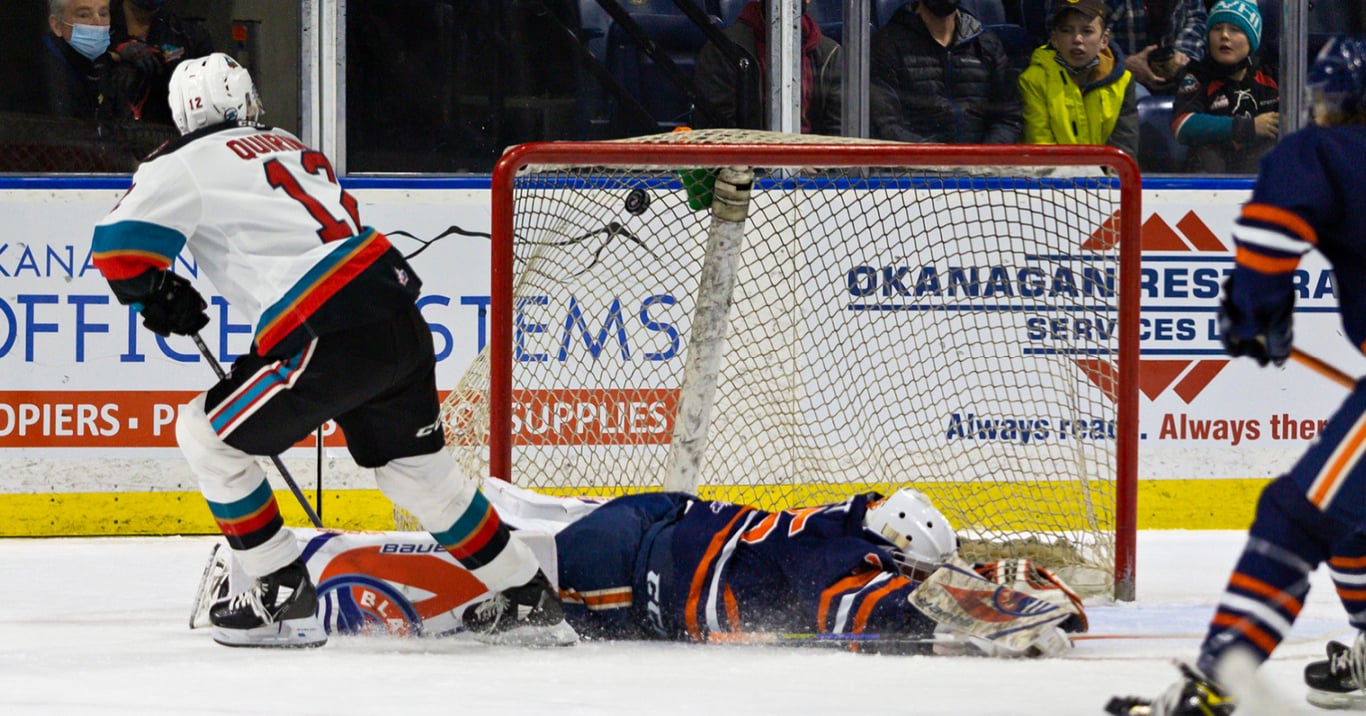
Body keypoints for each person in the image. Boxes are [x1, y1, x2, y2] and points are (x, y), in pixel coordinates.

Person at [89, 53, 576, 649]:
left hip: (326, 331)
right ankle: (529, 597)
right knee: (420, 478)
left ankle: (279, 595)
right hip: (395, 314)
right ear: (245, 102)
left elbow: (116, 248)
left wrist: (156, 293)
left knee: (204, 434)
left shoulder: (184, 162)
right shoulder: (290, 144)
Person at [1106, 36, 1366, 715]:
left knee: (1295, 515)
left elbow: (1274, 232)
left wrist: (1257, 308)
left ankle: (1217, 685)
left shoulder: (1328, 151)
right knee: (1351, 518)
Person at [189, 482, 1087, 656]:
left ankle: (282, 553)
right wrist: (993, 623)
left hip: (657, 517)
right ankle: (282, 569)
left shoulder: (851, 516)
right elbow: (901, 613)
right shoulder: (847, 574)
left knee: (498, 523)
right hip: (627, 569)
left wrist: (1012, 594)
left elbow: (914, 573)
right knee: (473, 582)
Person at [869, 0, 1023, 144]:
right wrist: (942, 161)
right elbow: (887, 126)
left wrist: (980, 160)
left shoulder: (987, 45)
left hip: (981, 168)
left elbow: (1008, 117)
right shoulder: (887, 45)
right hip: (914, 169)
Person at [692, 0, 842, 134]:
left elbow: (839, 130)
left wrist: (815, 164)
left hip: (815, 162)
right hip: (744, 162)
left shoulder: (831, 54)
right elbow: (716, 131)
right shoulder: (723, 49)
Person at [1018, 0, 1139, 157]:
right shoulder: (1033, 80)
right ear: (1054, 39)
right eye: (1066, 31)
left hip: (1106, 177)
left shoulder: (1123, 81)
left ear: (1104, 40)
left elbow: (1124, 148)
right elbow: (1040, 146)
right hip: (1053, 177)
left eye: (1087, 31)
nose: (1077, 39)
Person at [1170, 0, 1278, 174]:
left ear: (1252, 39)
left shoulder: (1270, 75)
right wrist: (1246, 127)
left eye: (1235, 30)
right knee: (1207, 154)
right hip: (1210, 180)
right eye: (1217, 28)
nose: (1224, 36)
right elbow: (1181, 125)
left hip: (1258, 179)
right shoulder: (1198, 74)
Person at [106, 0, 213, 124]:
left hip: (168, 133)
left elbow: (210, 97)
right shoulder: (96, 20)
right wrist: (116, 56)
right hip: (103, 135)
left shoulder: (190, 35)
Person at [41, 0, 112, 119]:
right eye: (84, 15)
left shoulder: (103, 64)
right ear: (57, 25)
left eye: (103, 14)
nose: (98, 22)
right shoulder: (42, 75)